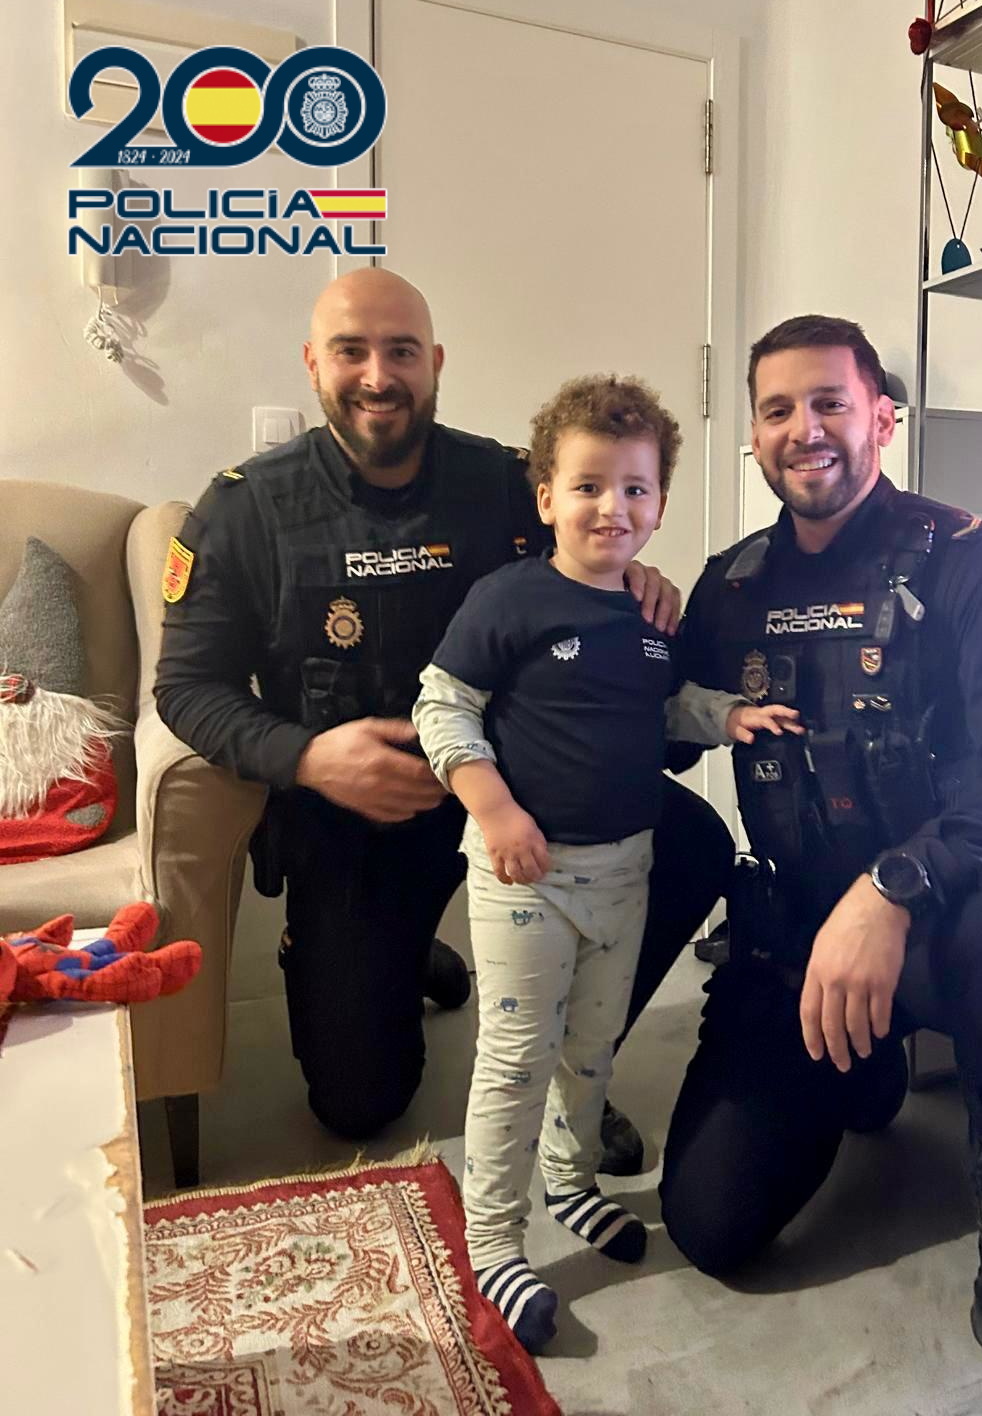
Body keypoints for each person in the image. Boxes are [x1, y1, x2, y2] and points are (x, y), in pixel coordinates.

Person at [153, 268, 733, 1163]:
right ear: (312, 363)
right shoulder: (244, 510)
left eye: (402, 352)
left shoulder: (506, 483)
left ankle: (575, 1070)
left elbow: (601, 533)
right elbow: (187, 688)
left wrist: (631, 582)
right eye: (351, 350)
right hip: (361, 818)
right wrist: (307, 758)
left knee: (690, 842)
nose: (377, 375)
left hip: (524, 798)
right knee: (359, 1104)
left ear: (436, 363)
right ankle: (400, 955)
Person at [658, 314, 982, 1369]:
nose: (804, 429)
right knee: (710, 1223)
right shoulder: (730, 588)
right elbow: (655, 722)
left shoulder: (970, 563)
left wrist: (893, 886)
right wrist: (606, 603)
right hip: (803, 936)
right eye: (777, 410)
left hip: (957, 920)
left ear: (881, 417)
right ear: (754, 436)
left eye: (829, 402)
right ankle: (858, 1063)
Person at [412, 374, 799, 1353]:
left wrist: (729, 715)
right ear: (546, 497)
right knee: (515, 1059)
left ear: (660, 502)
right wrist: (494, 808)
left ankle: (569, 1178)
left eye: (634, 489)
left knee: (589, 1049)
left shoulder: (651, 618)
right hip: (525, 877)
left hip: (623, 873)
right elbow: (442, 705)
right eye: (587, 486)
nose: (611, 508)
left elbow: (664, 711)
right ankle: (492, 1239)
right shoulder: (509, 599)